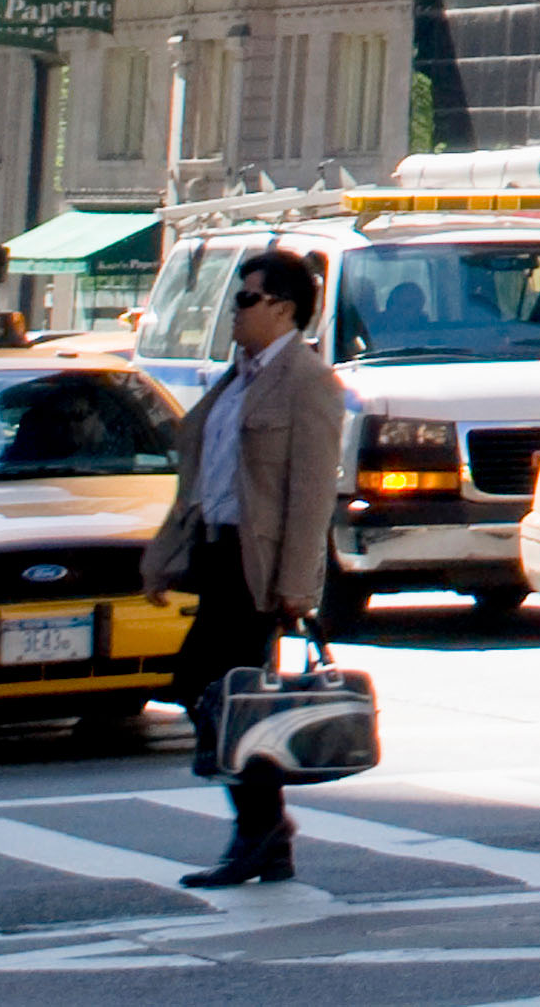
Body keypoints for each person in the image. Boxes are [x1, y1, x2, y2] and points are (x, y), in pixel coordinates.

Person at [143, 245, 343, 891]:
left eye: (245, 299)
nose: (233, 312)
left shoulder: (308, 381)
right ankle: (266, 832)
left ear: (282, 307)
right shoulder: (239, 375)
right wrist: (165, 557)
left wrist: (294, 585)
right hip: (215, 550)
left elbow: (311, 495)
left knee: (211, 686)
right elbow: (203, 478)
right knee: (220, 695)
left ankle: (262, 829)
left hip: (256, 565)